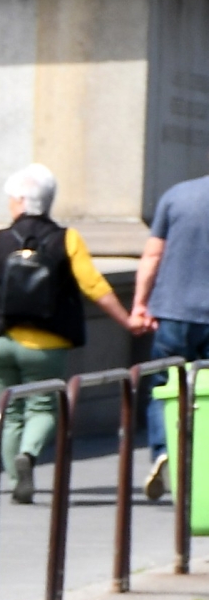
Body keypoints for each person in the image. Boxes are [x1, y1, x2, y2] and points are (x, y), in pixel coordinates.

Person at [0, 164, 146, 504]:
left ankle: (17, 481)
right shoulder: (67, 239)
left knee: (8, 409)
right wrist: (127, 320)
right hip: (47, 344)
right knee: (43, 407)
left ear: (19, 201)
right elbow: (93, 285)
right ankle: (29, 456)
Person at [130, 170, 209, 499]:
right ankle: (201, 464)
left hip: (173, 312)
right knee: (206, 394)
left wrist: (139, 305)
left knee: (164, 386)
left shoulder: (177, 195)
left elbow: (152, 255)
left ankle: (163, 451)